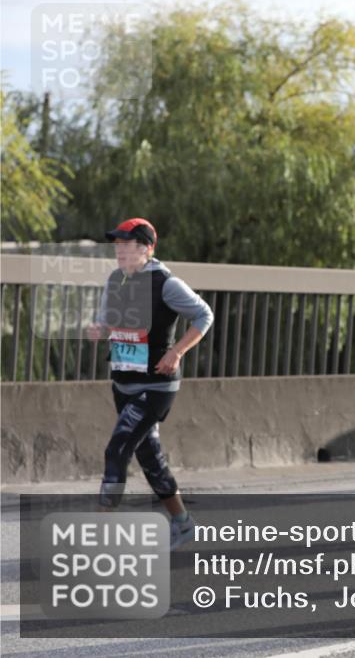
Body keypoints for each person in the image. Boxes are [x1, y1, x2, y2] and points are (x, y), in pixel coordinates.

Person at [87, 218, 213, 550]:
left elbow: (204, 315)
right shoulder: (116, 280)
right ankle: (183, 523)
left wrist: (177, 351)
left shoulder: (166, 283)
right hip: (124, 383)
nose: (119, 252)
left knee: (117, 450)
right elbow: (109, 320)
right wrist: (100, 329)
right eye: (116, 246)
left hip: (155, 386)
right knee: (150, 457)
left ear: (146, 248)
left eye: (126, 245)